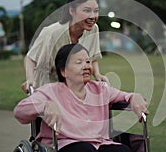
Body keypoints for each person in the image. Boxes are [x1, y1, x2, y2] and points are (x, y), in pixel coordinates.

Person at [14, 44, 149, 152]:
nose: (86, 66)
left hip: (101, 144)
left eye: (88, 62)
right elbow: (19, 111)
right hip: (64, 144)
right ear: (63, 71)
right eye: (79, 62)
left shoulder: (100, 89)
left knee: (122, 150)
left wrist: (134, 97)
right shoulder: (50, 91)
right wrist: (45, 105)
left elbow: (125, 96)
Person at [22, 0, 108, 93]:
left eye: (96, 11)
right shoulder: (52, 33)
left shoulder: (94, 29)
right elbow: (30, 58)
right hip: (46, 86)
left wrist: (97, 74)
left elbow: (93, 58)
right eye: (87, 10)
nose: (93, 16)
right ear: (72, 11)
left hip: (72, 88)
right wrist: (30, 80)